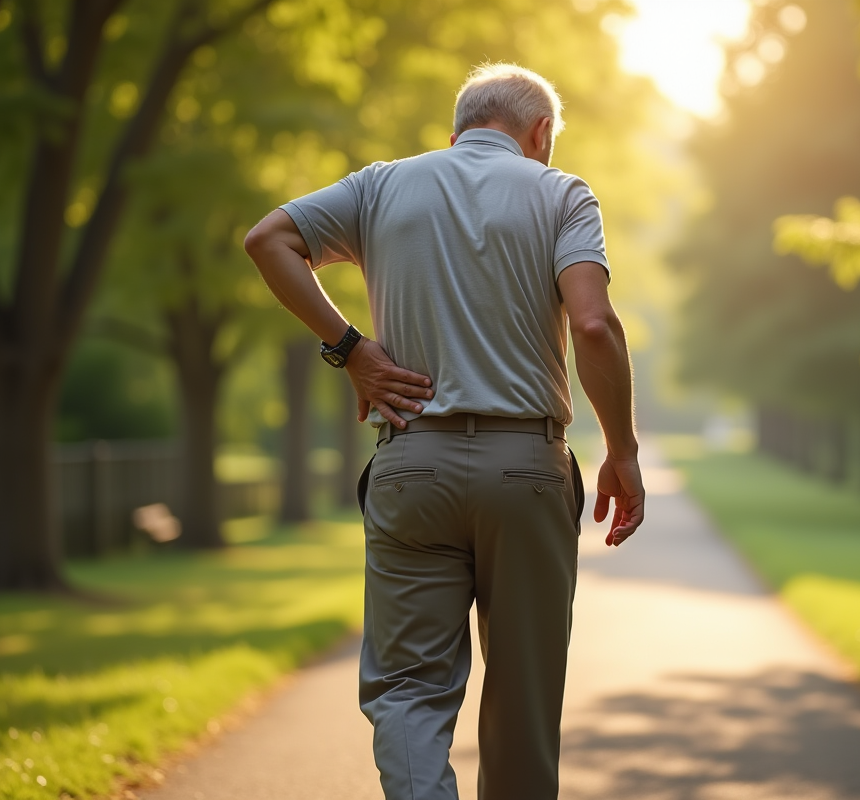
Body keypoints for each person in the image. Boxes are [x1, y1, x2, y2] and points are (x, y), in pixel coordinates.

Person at [244, 62, 644, 800]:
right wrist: (622, 450)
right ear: (541, 133)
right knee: (523, 703)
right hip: (526, 470)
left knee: (406, 691)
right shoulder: (562, 193)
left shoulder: (380, 185)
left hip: (412, 464)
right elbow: (593, 323)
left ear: (455, 130)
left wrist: (351, 350)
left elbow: (268, 239)